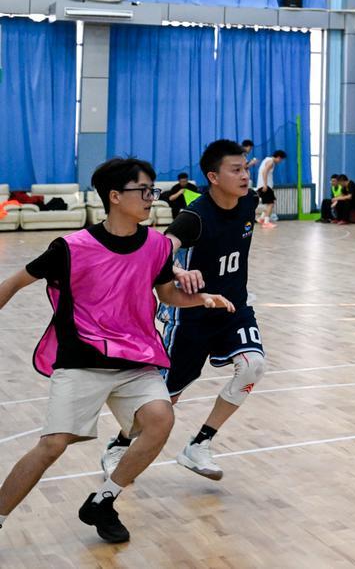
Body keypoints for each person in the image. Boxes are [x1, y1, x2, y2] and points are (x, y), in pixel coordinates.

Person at [0, 157, 232, 544]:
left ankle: (103, 501)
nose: (151, 198)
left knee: (160, 419)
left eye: (153, 191)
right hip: (82, 361)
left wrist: (201, 298)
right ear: (115, 196)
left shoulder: (156, 245)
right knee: (52, 446)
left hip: (135, 360)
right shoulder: (71, 247)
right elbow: (14, 282)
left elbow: (166, 294)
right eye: (144, 190)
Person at [102, 139, 270, 485]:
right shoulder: (194, 218)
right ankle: (118, 446)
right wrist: (178, 271)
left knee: (253, 365)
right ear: (213, 177)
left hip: (234, 308)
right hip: (192, 314)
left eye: (245, 169)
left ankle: (199, 444)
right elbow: (161, 250)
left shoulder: (249, 201)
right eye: (236, 170)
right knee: (166, 398)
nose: (244, 176)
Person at [255, 149, 286, 224]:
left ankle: (261, 219)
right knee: (270, 204)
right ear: (278, 157)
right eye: (281, 159)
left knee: (269, 203)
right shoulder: (271, 162)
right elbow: (264, 172)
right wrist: (265, 185)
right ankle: (266, 222)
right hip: (265, 186)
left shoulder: (267, 160)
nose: (280, 161)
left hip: (263, 185)